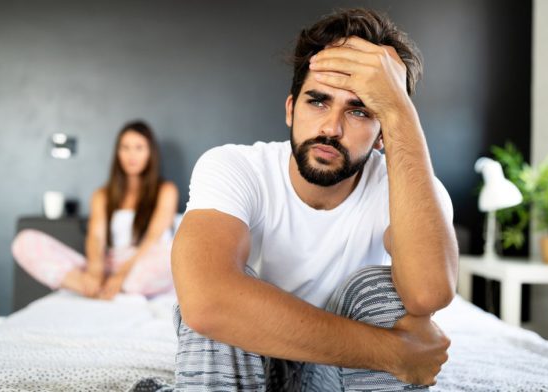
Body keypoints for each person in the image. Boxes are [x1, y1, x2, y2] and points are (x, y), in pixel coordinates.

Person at [171, 8, 457, 391]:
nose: (330, 128)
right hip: (252, 356)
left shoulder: (411, 189)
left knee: (385, 293)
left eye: (359, 111)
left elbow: (429, 293)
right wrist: (391, 352)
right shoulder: (235, 167)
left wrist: (400, 112)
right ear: (291, 109)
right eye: (318, 102)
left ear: (382, 133)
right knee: (215, 308)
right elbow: (206, 302)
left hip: (342, 372)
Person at [12, 121, 179, 300]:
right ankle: (97, 288)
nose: (132, 155)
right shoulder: (102, 195)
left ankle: (116, 288)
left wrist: (122, 274)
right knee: (24, 242)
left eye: (139, 148)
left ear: (150, 153)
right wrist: (95, 270)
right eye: (125, 147)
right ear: (117, 152)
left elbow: (152, 239)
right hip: (109, 265)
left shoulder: (166, 191)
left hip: (143, 263)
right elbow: (96, 237)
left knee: (174, 255)